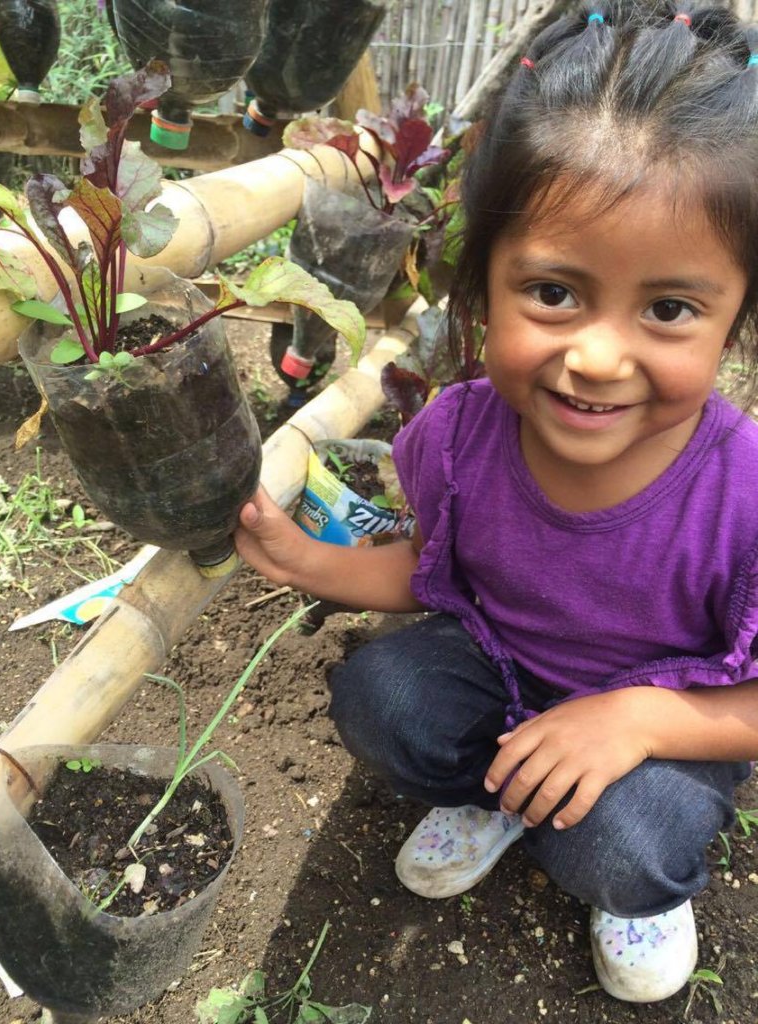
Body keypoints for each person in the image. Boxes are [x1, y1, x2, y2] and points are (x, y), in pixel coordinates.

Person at [235, 0, 758, 1004]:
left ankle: (625, 880)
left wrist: (639, 719)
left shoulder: (741, 497)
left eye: (669, 308)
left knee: (629, 843)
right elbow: (434, 567)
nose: (598, 355)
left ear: (734, 321)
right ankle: (502, 791)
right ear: (478, 291)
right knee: (384, 698)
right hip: (502, 670)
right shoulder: (455, 437)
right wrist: (313, 565)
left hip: (668, 716)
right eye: (554, 292)